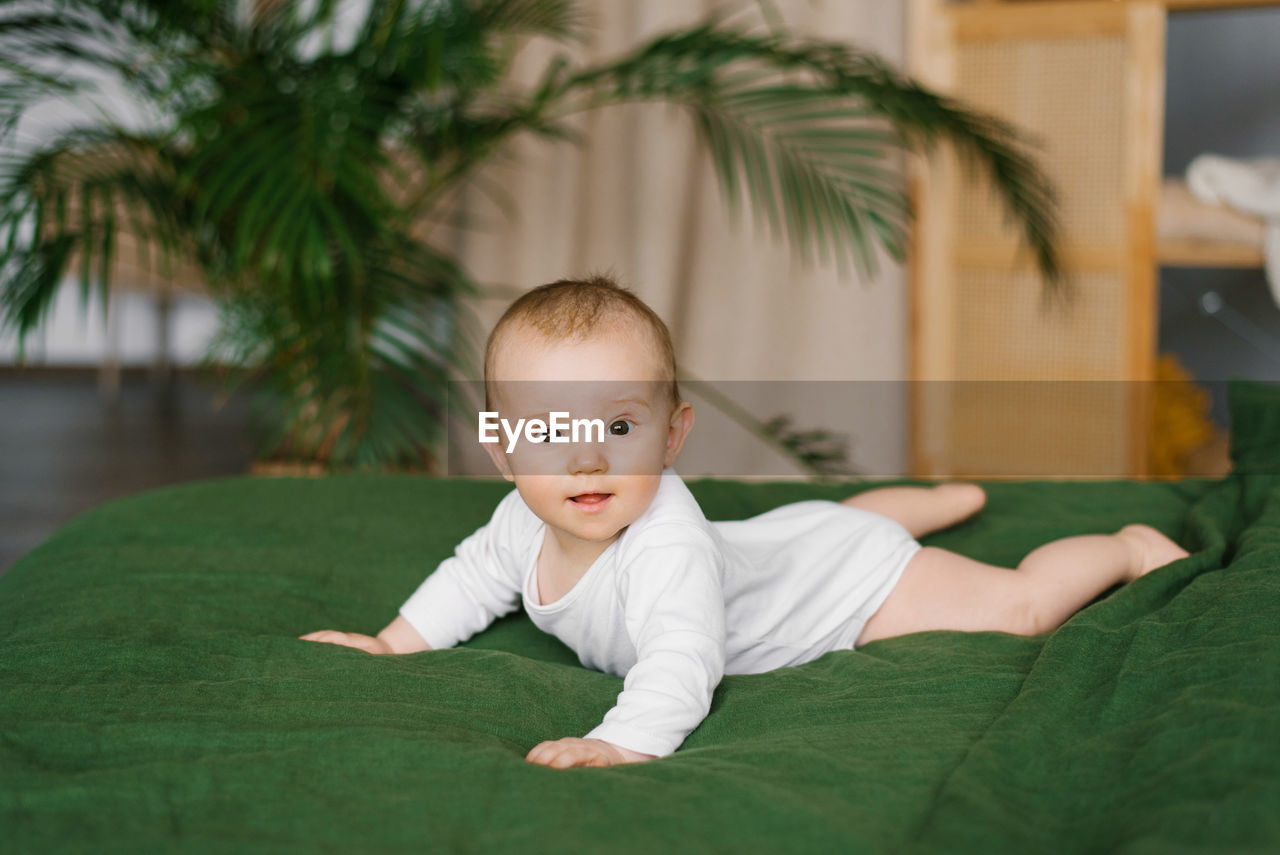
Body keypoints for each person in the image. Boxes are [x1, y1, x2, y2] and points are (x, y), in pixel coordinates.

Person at [300, 275, 1189, 769]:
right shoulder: (516, 522)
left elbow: (684, 660)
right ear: (501, 450)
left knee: (1018, 607)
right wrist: (391, 642)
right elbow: (469, 575)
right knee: (819, 528)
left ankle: (1120, 547)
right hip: (787, 544)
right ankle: (917, 503)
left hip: (844, 591)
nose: (585, 458)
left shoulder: (668, 547)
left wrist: (621, 742)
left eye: (618, 426)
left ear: (674, 431)